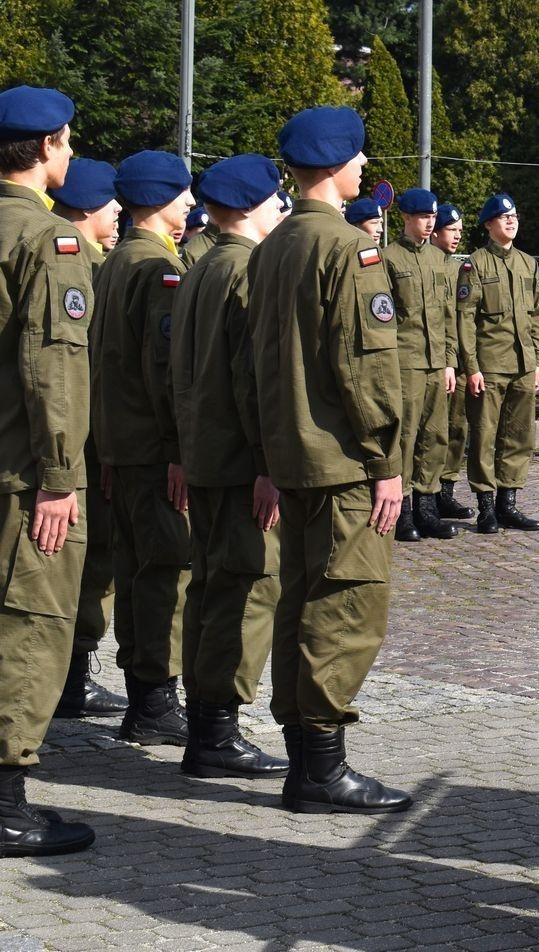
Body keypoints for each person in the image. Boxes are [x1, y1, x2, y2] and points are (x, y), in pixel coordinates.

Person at [249, 105, 410, 814]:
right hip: (344, 462)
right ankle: (321, 769)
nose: (364, 170)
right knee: (344, 607)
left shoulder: (271, 247)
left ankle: (305, 761)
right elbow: (367, 366)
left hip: (291, 455)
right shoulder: (349, 249)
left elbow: (252, 364)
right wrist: (387, 459)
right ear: (338, 164)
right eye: (359, 158)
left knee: (300, 604)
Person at [170, 153, 292, 780]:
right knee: (248, 588)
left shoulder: (201, 267)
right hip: (240, 461)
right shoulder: (245, 271)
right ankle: (218, 730)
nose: (282, 208)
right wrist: (269, 463)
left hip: (206, 455)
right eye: (275, 200)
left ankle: (205, 723)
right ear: (248, 208)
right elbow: (251, 380)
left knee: (211, 588)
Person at [0, 85, 98, 856]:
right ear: (47, 145)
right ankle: (6, 805)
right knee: (30, 629)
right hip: (24, 473)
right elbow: (52, 366)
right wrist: (60, 478)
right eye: (66, 141)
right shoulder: (46, 240)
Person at [92, 149, 195, 747]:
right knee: (164, 574)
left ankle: (143, 697)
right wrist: (179, 450)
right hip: (154, 452)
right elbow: (163, 371)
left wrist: (108, 449)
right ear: (162, 199)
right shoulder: (156, 266)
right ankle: (156, 701)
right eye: (182, 194)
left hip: (123, 446)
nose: (189, 205)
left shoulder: (114, 262)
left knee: (135, 572)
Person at [46, 158, 127, 720]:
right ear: (89, 206)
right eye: (110, 201)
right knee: (88, 565)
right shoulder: (83, 266)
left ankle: (73, 675)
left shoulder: (101, 264)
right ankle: (71, 678)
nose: (119, 211)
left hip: (84, 441)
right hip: (86, 445)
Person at [455, 192, 539, 535]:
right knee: (484, 436)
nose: (511, 221)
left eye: (514, 217)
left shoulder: (528, 263)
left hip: (524, 364)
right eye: (503, 217)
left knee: (518, 435)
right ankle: (485, 508)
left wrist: (538, 359)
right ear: (489, 225)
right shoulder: (475, 264)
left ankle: (507, 504)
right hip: (490, 364)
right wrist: (472, 366)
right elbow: (465, 318)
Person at [381, 187, 459, 542]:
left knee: (436, 435)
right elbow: (384, 317)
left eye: (432, 217)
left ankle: (428, 507)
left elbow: (448, 315)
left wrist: (449, 362)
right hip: (406, 360)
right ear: (406, 218)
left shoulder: (440, 260)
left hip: (435, 362)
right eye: (423, 217)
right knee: (407, 436)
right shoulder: (389, 258)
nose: (430, 224)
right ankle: (405, 510)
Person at [430, 202, 472, 519]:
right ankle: (424, 496)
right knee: (430, 432)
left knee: (456, 428)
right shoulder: (428, 265)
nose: (457, 236)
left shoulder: (460, 269)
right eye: (451, 230)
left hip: (456, 361)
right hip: (431, 361)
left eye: (459, 231)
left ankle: (446, 489)